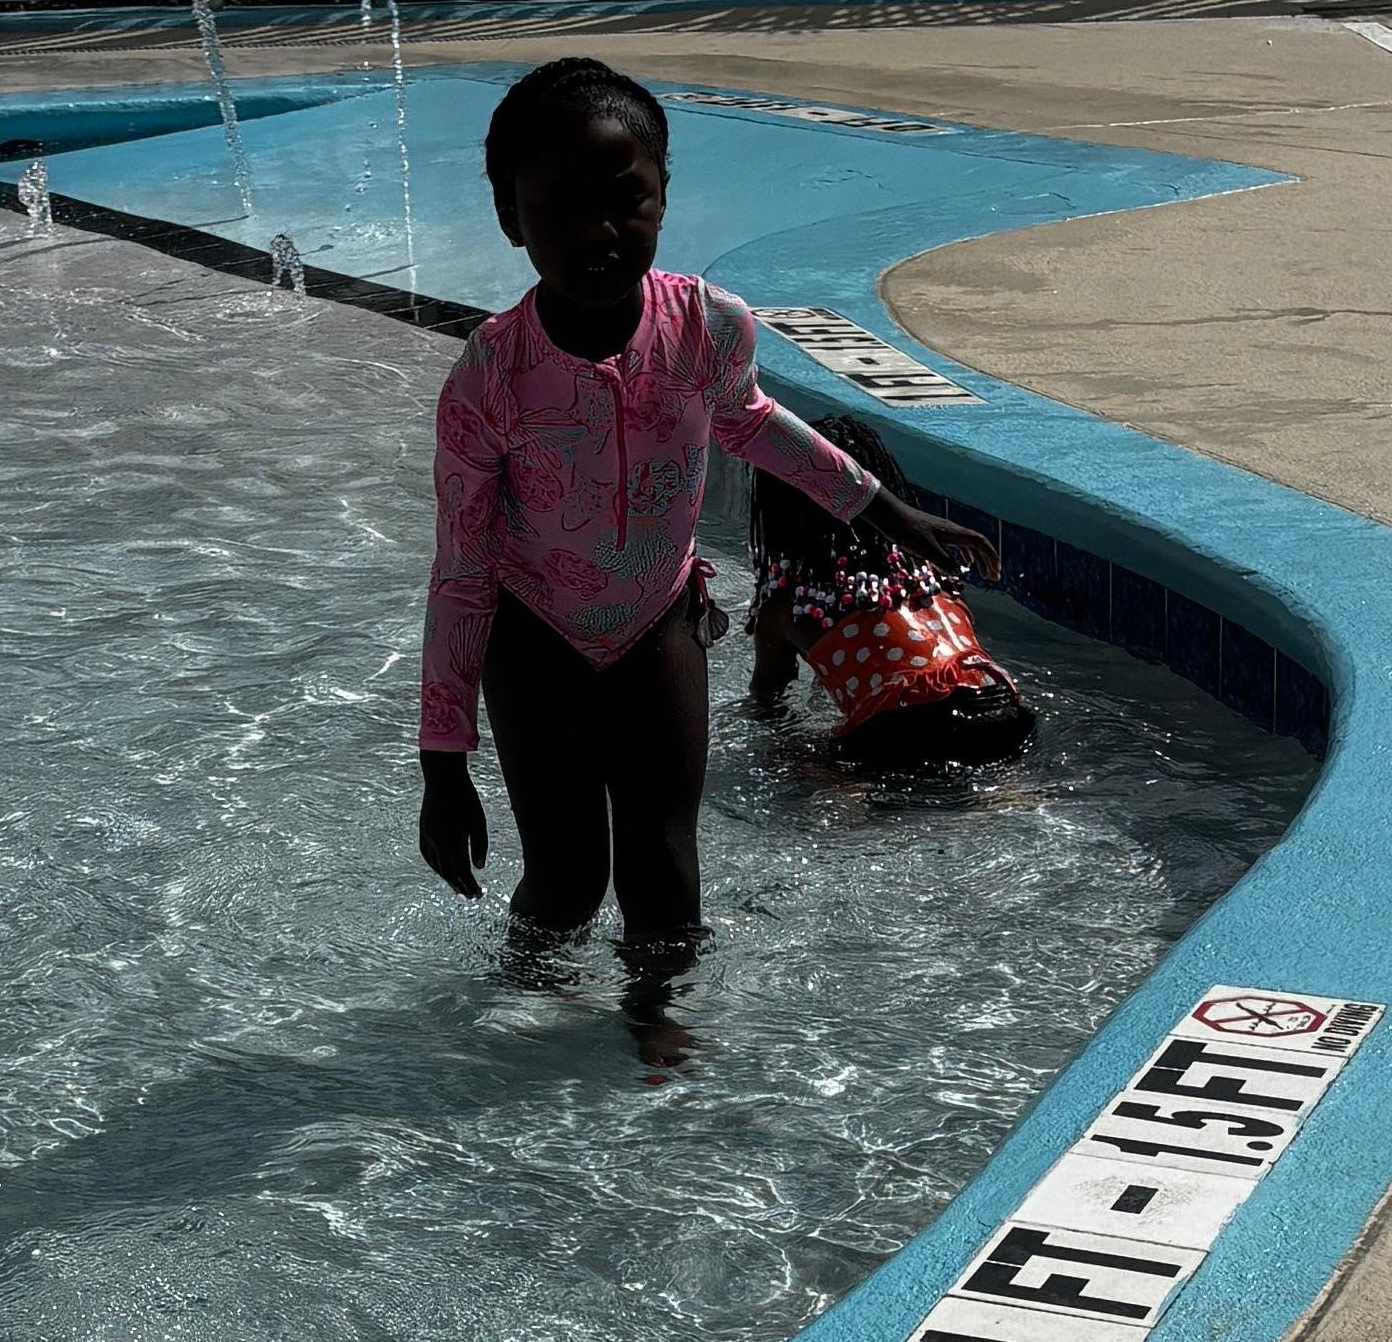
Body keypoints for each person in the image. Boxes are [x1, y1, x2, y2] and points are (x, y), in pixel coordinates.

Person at [413, 57, 992, 972]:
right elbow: (462, 570)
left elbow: (751, 420)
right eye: (563, 205)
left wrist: (886, 510)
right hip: (533, 641)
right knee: (565, 880)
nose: (600, 230)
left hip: (658, 629)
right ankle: (522, 1006)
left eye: (626, 198)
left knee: (665, 877)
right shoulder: (490, 375)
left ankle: (658, 1042)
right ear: (508, 214)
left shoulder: (707, 326)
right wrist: (444, 762)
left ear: (663, 194)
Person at [745, 414, 1036, 772]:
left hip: (905, 729)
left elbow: (767, 703)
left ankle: (843, 796)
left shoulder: (787, 606)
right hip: (1001, 705)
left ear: (779, 512)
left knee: (793, 756)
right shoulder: (921, 572)